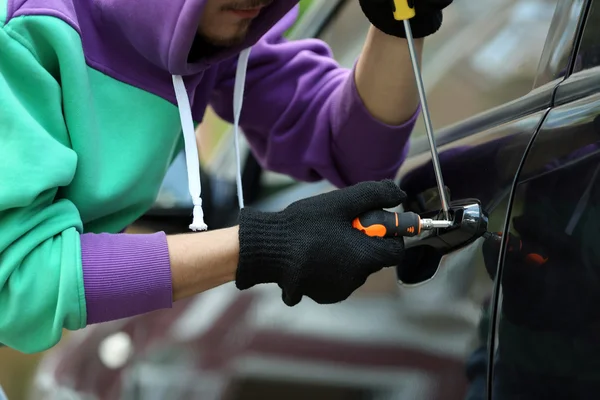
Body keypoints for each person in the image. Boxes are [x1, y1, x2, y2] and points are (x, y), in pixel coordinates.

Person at [0, 0, 453, 354]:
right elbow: (16, 279)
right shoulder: (24, 31)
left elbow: (354, 155)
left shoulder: (216, 28)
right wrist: (262, 248)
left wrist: (397, 24)